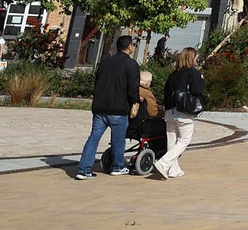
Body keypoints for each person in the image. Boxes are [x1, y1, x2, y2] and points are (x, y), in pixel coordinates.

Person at [75, 34, 140, 180]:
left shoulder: (105, 63)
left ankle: (84, 169)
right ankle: (117, 166)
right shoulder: (131, 65)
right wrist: (135, 103)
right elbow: (132, 88)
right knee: (118, 139)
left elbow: (97, 82)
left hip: (100, 107)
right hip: (118, 108)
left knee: (93, 138)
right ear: (129, 47)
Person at [156, 47, 205, 178]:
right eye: (195, 57)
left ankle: (174, 170)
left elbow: (165, 91)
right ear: (191, 58)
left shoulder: (174, 74)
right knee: (184, 140)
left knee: (172, 141)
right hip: (183, 112)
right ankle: (164, 163)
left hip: (170, 111)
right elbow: (197, 90)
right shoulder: (193, 73)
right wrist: (201, 79)